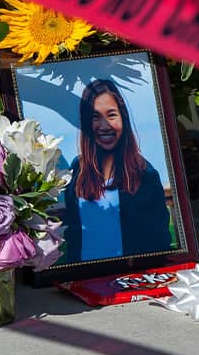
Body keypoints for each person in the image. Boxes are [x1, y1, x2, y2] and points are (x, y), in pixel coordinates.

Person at [60, 79, 173, 263]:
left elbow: (160, 242)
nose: (104, 126)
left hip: (127, 279)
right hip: (85, 279)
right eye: (96, 117)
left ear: (123, 118)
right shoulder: (77, 170)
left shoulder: (145, 174)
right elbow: (74, 232)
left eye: (111, 115)